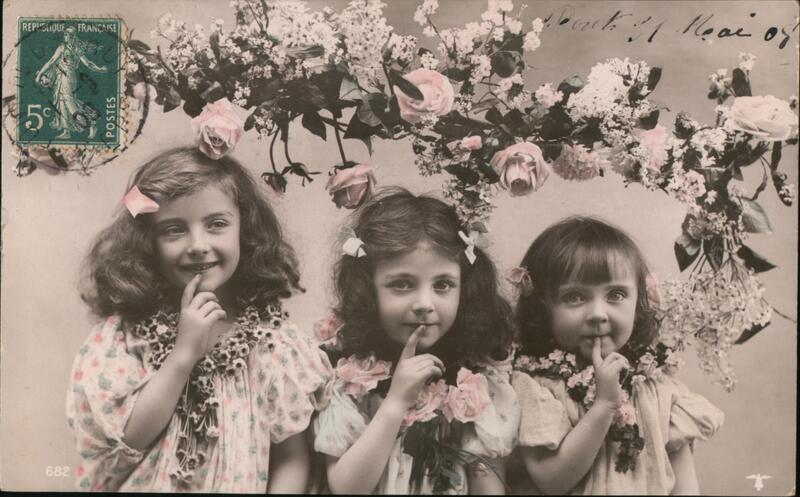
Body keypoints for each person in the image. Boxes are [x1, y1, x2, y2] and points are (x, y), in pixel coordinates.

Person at [66, 146, 331, 492]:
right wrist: (183, 355)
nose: (198, 245)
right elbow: (130, 438)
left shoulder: (274, 343)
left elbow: (291, 461)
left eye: (217, 224)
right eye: (173, 229)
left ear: (245, 228)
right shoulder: (126, 336)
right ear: (146, 240)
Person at [313, 187, 519, 494]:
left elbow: (489, 488)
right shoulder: (350, 379)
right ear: (368, 290)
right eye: (402, 284)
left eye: (443, 285)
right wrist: (396, 402)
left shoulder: (475, 382)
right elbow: (346, 488)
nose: (425, 303)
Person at [509, 216, 724, 494]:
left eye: (616, 295)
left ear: (638, 301)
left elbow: (685, 486)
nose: (598, 314)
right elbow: (551, 481)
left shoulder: (657, 386)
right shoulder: (536, 387)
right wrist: (604, 406)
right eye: (575, 297)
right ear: (543, 306)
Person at [34, 26, 106, 139]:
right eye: (65, 34)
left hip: (67, 77)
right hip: (62, 77)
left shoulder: (70, 48)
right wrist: (100, 69)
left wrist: (99, 69)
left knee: (69, 102)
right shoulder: (66, 47)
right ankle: (66, 131)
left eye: (68, 35)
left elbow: (87, 63)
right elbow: (52, 61)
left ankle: (91, 124)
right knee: (62, 102)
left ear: (73, 36)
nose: (66, 36)